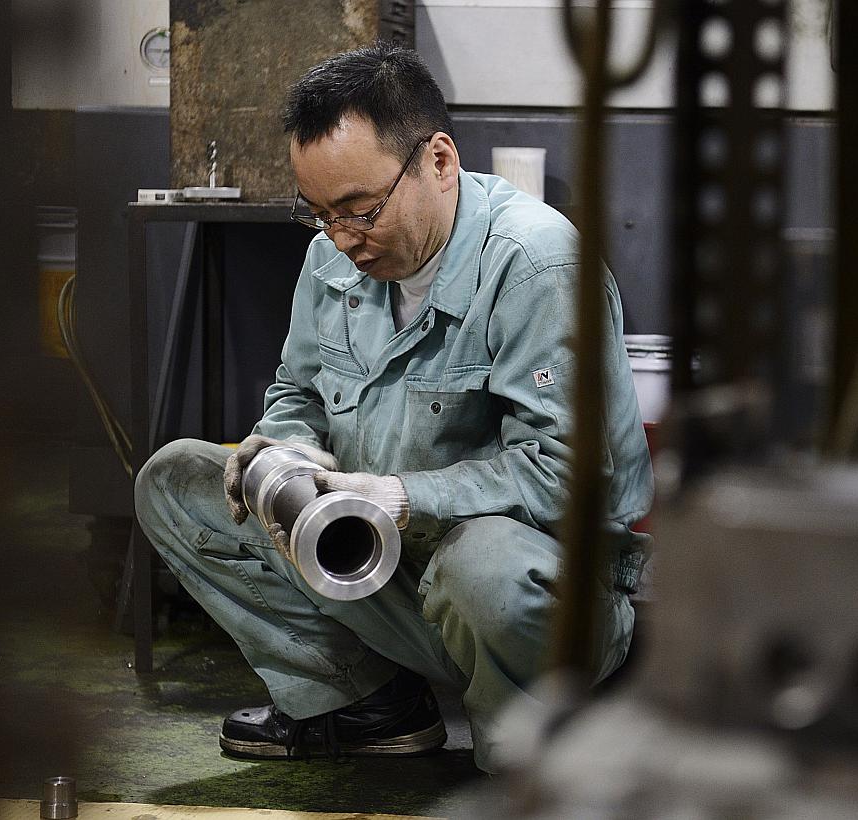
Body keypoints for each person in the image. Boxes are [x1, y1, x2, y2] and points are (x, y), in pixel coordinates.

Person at [133, 42, 652, 773]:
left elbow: (568, 476)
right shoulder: (333, 256)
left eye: (360, 210)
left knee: (483, 569)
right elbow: (297, 393)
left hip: (540, 595)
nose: (343, 239)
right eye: (319, 216)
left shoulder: (536, 266)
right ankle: (369, 706)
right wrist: (282, 452)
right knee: (174, 480)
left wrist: (400, 497)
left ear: (438, 160)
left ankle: (529, 748)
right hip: (382, 566)